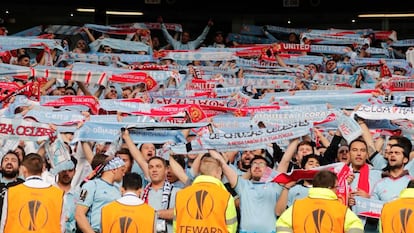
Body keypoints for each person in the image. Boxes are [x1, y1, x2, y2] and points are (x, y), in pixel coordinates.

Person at [276, 170, 364, 233]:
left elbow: (282, 225)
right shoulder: (341, 209)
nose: (337, 190)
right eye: (336, 187)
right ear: (330, 188)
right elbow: (356, 227)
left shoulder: (297, 206)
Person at [173, 152, 238, 233]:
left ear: (200, 171)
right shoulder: (226, 197)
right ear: (219, 171)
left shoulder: (180, 195)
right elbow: (231, 229)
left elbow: (176, 227)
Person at [0, 153, 65, 232]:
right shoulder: (58, 194)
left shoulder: (11, 192)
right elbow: (61, 227)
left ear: (23, 169)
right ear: (43, 168)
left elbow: (3, 224)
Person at [75, 155, 126, 233]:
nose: (123, 174)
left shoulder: (118, 189)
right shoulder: (91, 185)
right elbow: (79, 214)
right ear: (114, 169)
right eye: (122, 170)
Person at [0, 151, 25, 221]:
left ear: (19, 167)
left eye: (13, 160)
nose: (9, 162)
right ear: (0, 167)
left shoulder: (23, 185)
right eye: (6, 160)